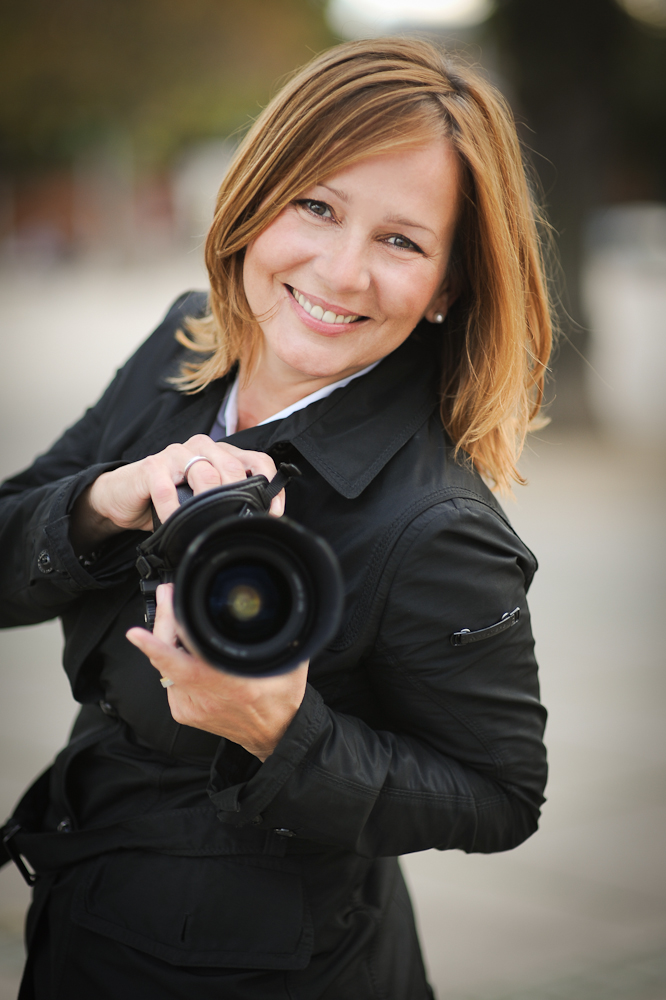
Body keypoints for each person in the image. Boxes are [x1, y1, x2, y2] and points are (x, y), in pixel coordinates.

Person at [0, 37, 552, 1000]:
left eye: (402, 241)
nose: (341, 272)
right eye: (317, 206)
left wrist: (283, 731)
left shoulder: (438, 524)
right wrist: (101, 502)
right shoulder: (178, 347)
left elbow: (502, 795)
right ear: (258, 196)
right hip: (82, 903)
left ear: (448, 287)